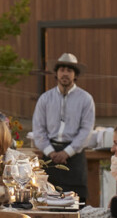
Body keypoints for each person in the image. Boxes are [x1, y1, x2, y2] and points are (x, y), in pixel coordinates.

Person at [27, 55, 96, 194]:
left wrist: (67, 152)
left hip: (74, 156)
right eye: (62, 69)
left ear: (75, 75)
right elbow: (38, 128)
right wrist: (50, 152)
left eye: (69, 70)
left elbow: (86, 130)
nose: (65, 73)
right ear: (56, 73)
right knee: (46, 198)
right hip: (49, 154)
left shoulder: (86, 99)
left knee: (77, 203)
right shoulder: (45, 99)